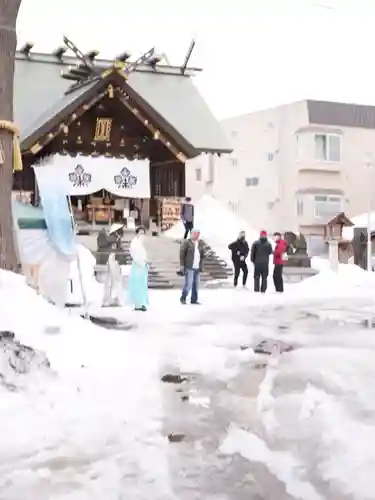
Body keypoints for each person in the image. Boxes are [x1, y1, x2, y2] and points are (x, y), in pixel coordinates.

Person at [180, 228, 205, 304]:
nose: (197, 235)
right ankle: (183, 298)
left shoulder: (200, 243)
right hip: (189, 266)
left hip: (197, 267)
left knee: (196, 284)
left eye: (198, 234)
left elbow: (203, 254)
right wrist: (182, 265)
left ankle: (194, 299)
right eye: (195, 233)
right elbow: (182, 254)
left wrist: (201, 264)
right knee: (189, 283)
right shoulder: (186, 242)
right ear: (191, 234)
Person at [128, 227, 149, 311]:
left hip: (143, 266)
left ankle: (142, 302)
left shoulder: (141, 243)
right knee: (137, 285)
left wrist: (145, 262)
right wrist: (141, 262)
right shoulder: (134, 243)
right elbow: (134, 255)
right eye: (140, 233)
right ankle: (138, 304)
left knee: (143, 285)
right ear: (137, 233)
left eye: (143, 233)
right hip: (137, 265)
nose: (142, 235)